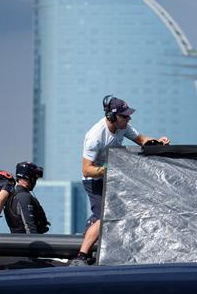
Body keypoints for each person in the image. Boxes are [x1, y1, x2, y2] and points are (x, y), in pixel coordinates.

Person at [70, 95, 170, 266]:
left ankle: (96, 242)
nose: (128, 118)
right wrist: (110, 168)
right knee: (105, 215)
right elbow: (86, 169)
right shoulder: (95, 136)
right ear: (112, 116)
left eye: (128, 115)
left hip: (112, 176)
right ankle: (80, 257)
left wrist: (156, 142)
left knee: (119, 213)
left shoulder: (123, 126)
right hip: (94, 180)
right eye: (124, 116)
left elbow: (141, 139)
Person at [4, 161, 49, 234]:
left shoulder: (14, 195)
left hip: (21, 241)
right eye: (35, 178)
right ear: (29, 177)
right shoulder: (24, 197)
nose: (35, 181)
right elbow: (30, 228)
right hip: (28, 243)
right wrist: (36, 243)